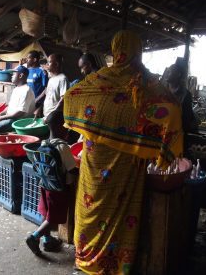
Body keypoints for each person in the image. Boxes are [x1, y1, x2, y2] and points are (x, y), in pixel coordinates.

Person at [63, 30, 183, 274]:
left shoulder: (98, 81)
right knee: (121, 210)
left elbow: (71, 97)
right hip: (127, 162)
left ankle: (85, 258)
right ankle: (115, 263)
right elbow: (172, 108)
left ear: (115, 50)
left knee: (90, 206)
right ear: (138, 51)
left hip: (94, 157)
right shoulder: (147, 85)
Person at [26, 111, 78, 256]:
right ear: (63, 128)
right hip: (59, 189)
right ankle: (34, 237)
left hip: (45, 184)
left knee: (47, 212)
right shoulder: (63, 147)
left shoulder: (44, 143)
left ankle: (48, 240)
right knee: (53, 217)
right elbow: (72, 169)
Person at [0, 66, 35, 134]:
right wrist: (0, 114)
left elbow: (20, 112)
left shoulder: (26, 90)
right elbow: (10, 107)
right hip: (11, 118)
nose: (11, 76)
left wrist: (1, 118)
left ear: (20, 75)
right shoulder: (16, 89)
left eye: (14, 74)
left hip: (18, 121)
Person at [165, 58, 198, 134]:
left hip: (177, 132)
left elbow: (186, 118)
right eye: (167, 71)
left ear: (178, 74)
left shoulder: (185, 95)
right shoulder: (162, 91)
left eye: (169, 72)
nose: (166, 74)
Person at [40, 54, 69, 120]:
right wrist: (40, 108)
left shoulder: (62, 79)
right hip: (47, 116)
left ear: (56, 64)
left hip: (55, 118)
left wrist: (51, 116)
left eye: (49, 62)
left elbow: (63, 99)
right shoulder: (51, 79)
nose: (47, 64)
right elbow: (48, 97)